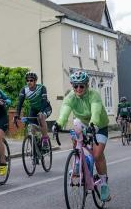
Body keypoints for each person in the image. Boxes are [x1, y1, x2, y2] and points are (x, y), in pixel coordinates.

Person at [53, 70, 111, 201]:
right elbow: (64, 112)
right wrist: (58, 124)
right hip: (83, 124)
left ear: (86, 85)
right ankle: (78, 161)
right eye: (75, 86)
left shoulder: (94, 95)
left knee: (97, 155)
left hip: (99, 125)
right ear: (72, 86)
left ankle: (104, 184)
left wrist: (93, 125)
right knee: (75, 128)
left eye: (81, 86)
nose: (78, 89)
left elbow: (95, 112)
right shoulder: (70, 97)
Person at [14, 71, 50, 146]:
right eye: (27, 80)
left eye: (31, 80)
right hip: (34, 109)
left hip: (45, 107)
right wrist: (17, 114)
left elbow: (44, 101)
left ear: (35, 81)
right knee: (31, 126)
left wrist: (41, 112)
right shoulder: (24, 89)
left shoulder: (42, 88)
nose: (29, 82)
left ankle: (45, 139)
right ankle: (35, 145)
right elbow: (20, 102)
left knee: (41, 117)